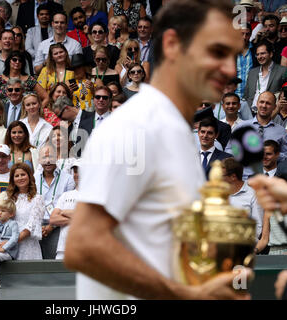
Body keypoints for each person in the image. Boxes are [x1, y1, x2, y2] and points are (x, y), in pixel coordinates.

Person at [64, 0, 251, 300]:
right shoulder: (137, 127)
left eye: (234, 56)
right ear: (173, 44)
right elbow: (83, 246)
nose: (230, 69)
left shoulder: (177, 132)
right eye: (217, 52)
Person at [0, 162, 44, 260]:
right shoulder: (7, 198)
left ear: (29, 176)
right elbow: (0, 221)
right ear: (13, 179)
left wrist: (10, 242)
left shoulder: (37, 199)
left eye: (23, 174)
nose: (20, 178)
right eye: (16, 176)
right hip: (6, 246)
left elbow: (31, 227)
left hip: (27, 246)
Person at [35, 144, 75, 259]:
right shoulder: (34, 178)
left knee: (53, 264)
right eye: (44, 157)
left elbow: (67, 208)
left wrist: (51, 226)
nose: (48, 161)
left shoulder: (68, 179)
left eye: (51, 157)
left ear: (57, 157)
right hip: (37, 225)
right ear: (39, 160)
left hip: (58, 225)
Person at [239, 91, 287, 161]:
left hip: (271, 171)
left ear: (274, 107)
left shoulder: (281, 131)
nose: (264, 106)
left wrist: (271, 154)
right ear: (257, 104)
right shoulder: (242, 126)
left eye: (268, 103)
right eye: (261, 102)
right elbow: (229, 149)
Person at [221, 158, 264, 238]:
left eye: (221, 176)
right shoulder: (220, 194)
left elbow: (257, 227)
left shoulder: (253, 194)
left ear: (233, 177)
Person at [50, 159, 80, 259]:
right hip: (63, 249)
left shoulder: (93, 196)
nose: (77, 175)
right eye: (75, 171)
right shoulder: (65, 195)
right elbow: (53, 219)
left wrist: (63, 212)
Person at [244, 41, 287, 109]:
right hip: (251, 112)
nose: (259, 57)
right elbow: (246, 95)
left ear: (271, 54)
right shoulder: (252, 72)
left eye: (263, 53)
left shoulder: (282, 71)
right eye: (257, 54)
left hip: (270, 112)